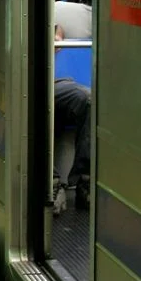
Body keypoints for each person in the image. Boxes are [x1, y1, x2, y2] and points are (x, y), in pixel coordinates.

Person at [52, 26, 92, 214]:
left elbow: (56, 25)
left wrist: (57, 36)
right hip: (26, 80)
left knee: (87, 99)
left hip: (54, 81)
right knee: (31, 99)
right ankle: (51, 181)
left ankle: (84, 181)